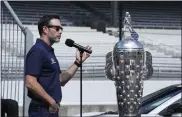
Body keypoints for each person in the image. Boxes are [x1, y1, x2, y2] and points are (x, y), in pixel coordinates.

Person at [25, 14, 92, 117]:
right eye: (57, 28)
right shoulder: (37, 50)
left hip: (50, 110)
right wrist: (51, 101)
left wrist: (78, 62)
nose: (60, 31)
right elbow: (30, 82)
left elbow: (60, 80)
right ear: (45, 29)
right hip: (41, 110)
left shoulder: (48, 51)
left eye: (61, 29)